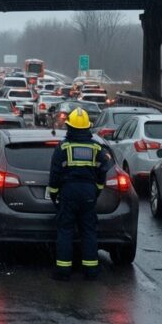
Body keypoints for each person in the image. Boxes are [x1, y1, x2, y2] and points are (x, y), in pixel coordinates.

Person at [46, 107, 113, 281]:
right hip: (89, 193)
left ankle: (63, 271)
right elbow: (104, 171)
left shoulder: (63, 147)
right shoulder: (97, 148)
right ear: (87, 128)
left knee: (65, 231)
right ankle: (90, 271)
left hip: (68, 193)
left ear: (70, 127)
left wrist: (54, 195)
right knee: (89, 231)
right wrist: (96, 191)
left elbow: (54, 175)